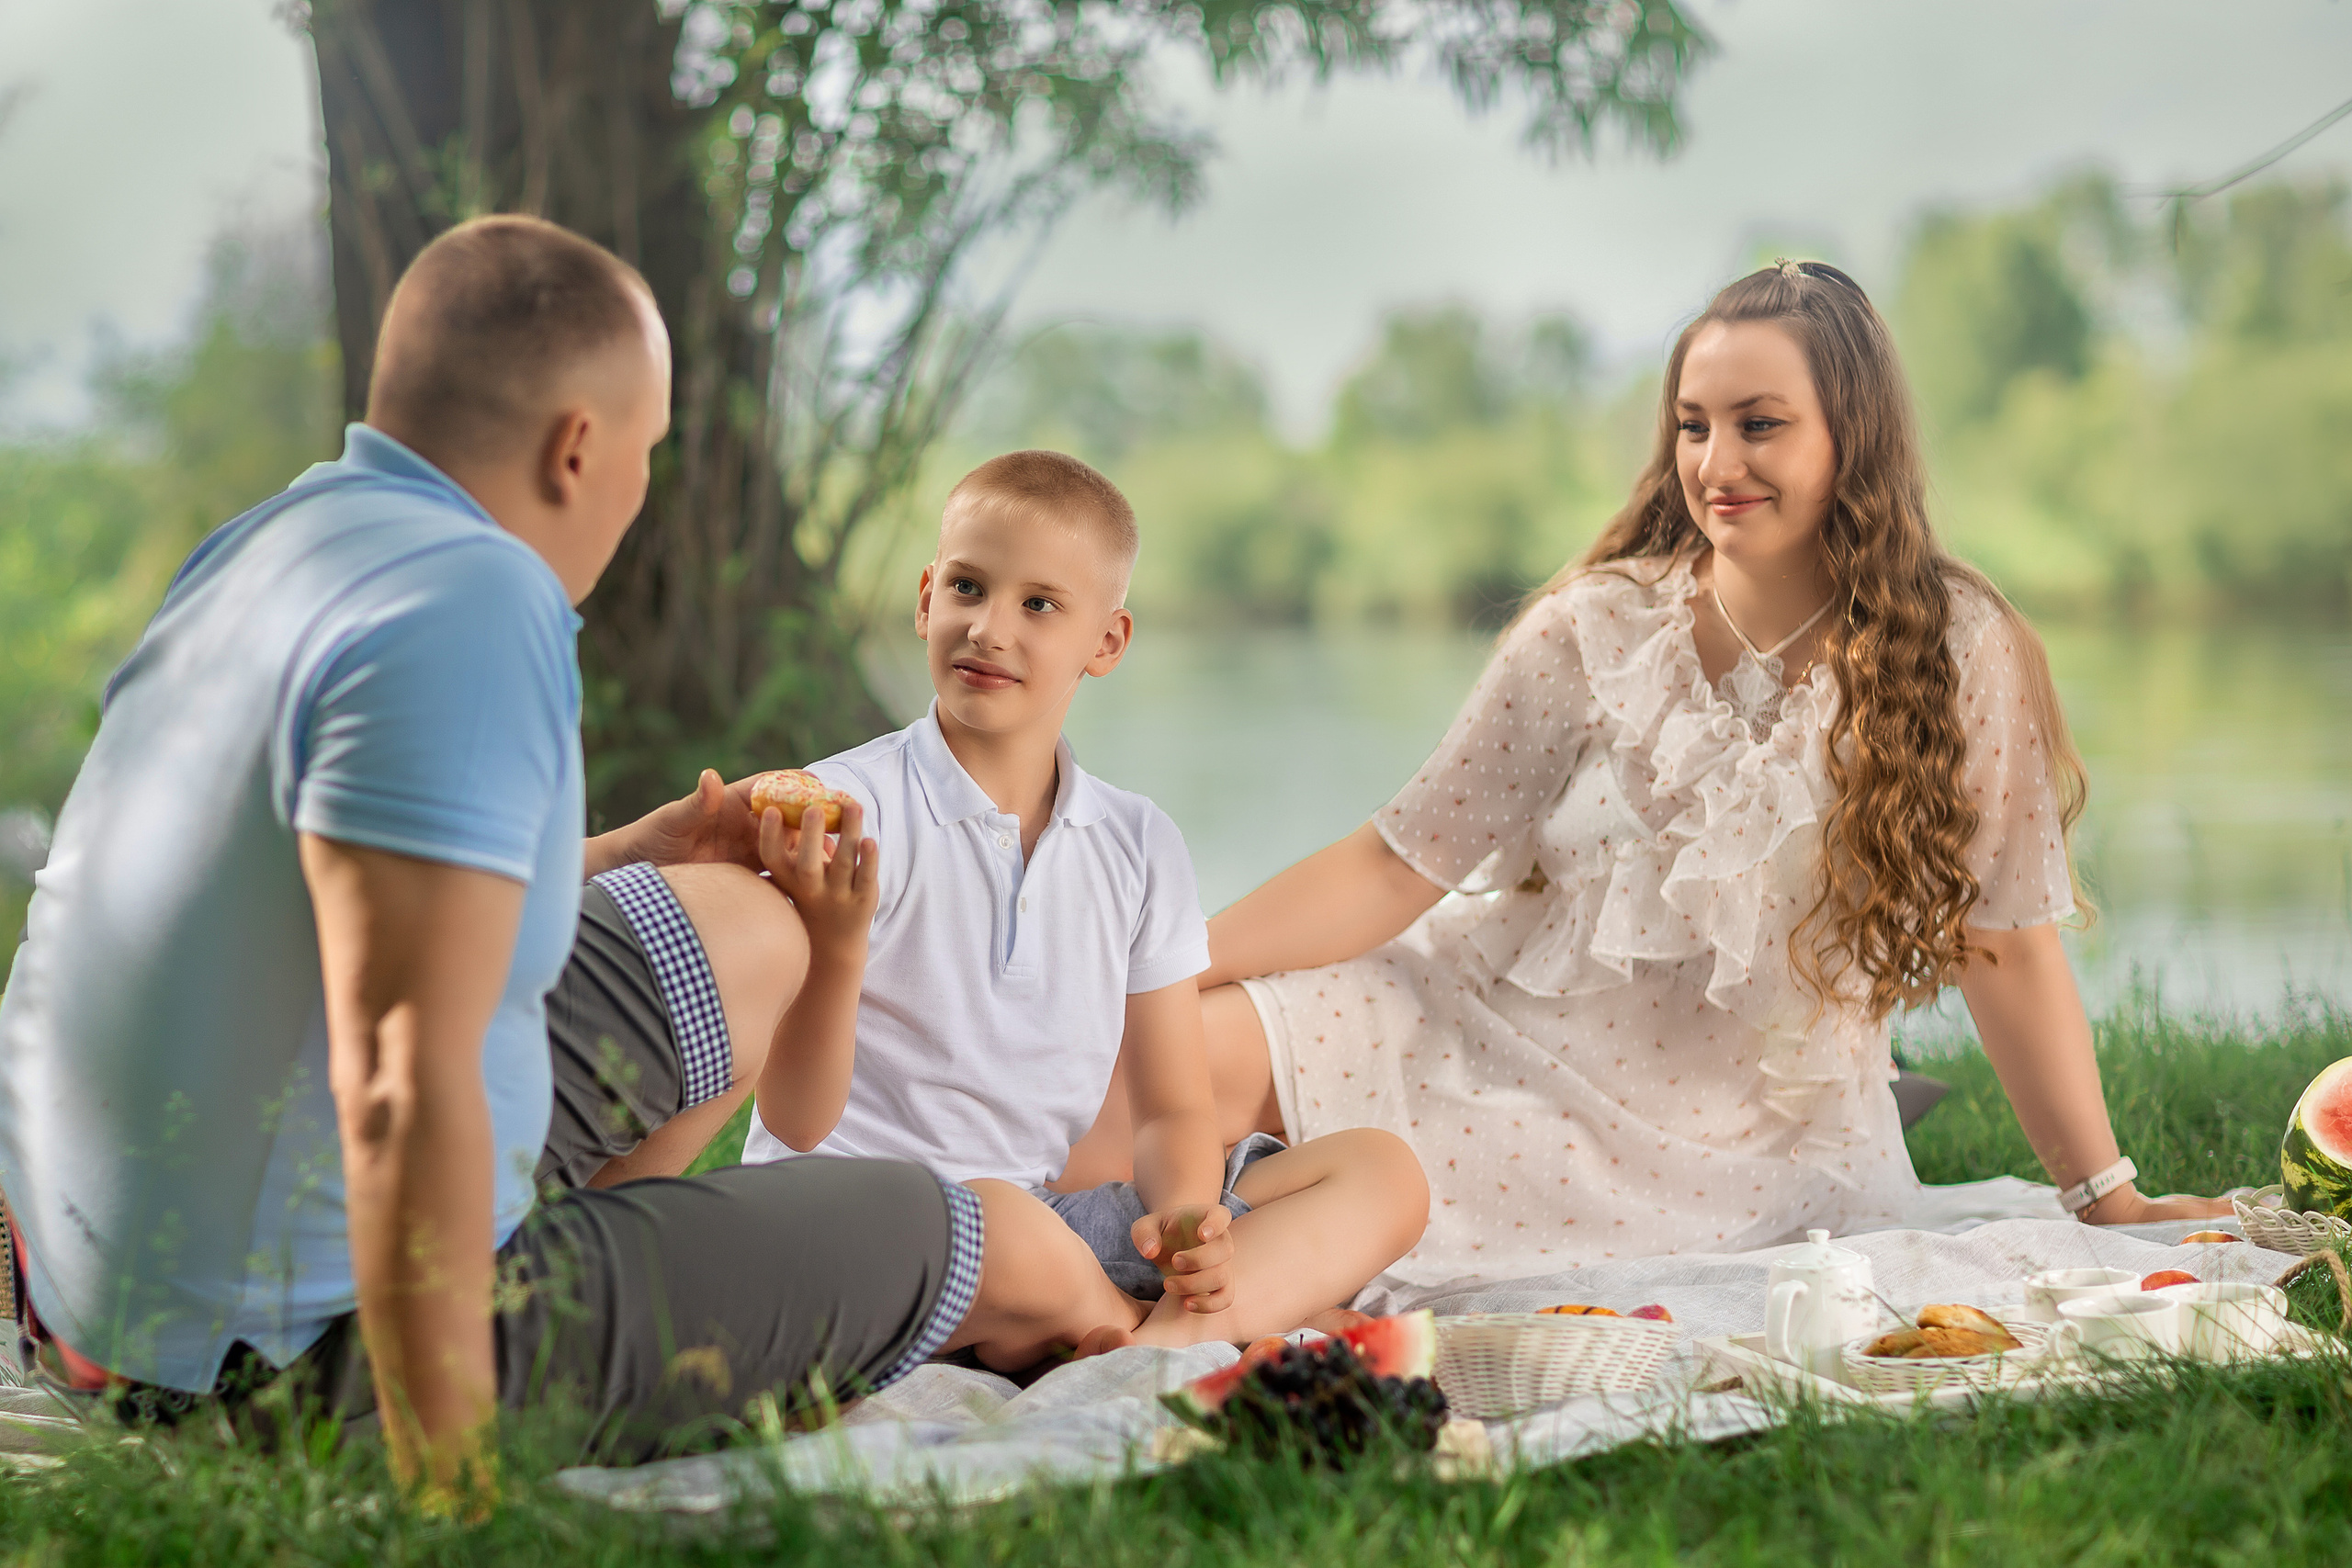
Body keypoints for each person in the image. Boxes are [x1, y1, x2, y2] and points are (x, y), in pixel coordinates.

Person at [0, 218, 1136, 1509]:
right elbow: (399, 1067)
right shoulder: (476, 601)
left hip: (91, 1295)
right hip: (286, 1366)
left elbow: (327, 890)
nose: (639, 488)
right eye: (645, 453)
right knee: (975, 1234)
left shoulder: (278, 545)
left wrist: (634, 848)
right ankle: (1157, 1338)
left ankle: (591, 1274)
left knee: (756, 930)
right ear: (578, 446)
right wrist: (454, 1491)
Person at [1062, 260, 2228, 1284]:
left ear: (1851, 438)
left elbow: (2005, 943)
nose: (1716, 463)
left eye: (1759, 424)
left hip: (1735, 1140)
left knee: (1239, 1167)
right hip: (1460, 1017)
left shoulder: (1960, 647)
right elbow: (1392, 861)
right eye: (1692, 424)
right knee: (1137, 1063)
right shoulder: (1593, 628)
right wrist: (1158, 972)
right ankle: (966, 1274)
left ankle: (1112, 1280)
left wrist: (2104, 1197)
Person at [738, 450, 1429, 1353]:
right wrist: (832, 945)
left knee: (1382, 1171)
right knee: (999, 1226)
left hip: (1043, 1220)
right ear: (923, 600)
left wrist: (1187, 1220)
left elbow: (1173, 1109)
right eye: (967, 588)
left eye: (1038, 605)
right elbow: (793, 1120)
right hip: (867, 1234)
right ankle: (1128, 1339)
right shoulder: (851, 811)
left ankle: (1148, 1342)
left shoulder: (1138, 846)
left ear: (1105, 643)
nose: (988, 628)